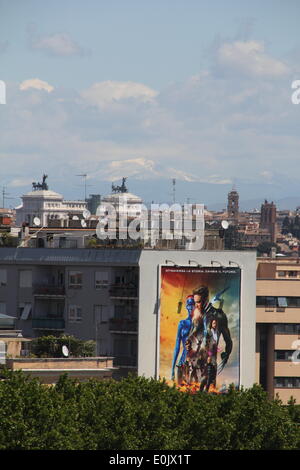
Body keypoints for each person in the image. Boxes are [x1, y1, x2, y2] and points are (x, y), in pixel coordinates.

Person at [192, 285, 232, 373]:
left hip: (210, 365)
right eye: (195, 302)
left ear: (206, 299)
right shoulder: (196, 317)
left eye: (198, 302)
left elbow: (228, 340)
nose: (196, 305)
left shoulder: (219, 316)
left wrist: (226, 355)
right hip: (195, 364)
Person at [171, 295, 195, 382]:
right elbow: (177, 347)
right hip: (182, 364)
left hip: (194, 364)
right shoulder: (182, 323)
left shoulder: (199, 323)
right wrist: (172, 369)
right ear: (186, 306)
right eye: (188, 305)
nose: (190, 307)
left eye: (192, 304)